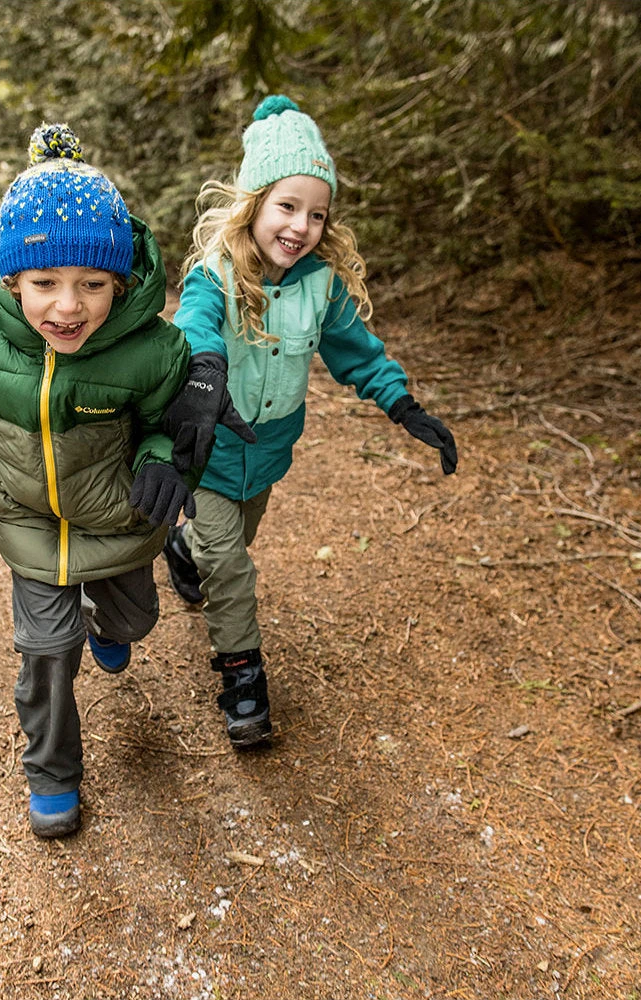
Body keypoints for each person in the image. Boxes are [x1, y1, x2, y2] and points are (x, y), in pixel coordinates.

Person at [0, 124, 195, 838]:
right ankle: (53, 774)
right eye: (44, 284)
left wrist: (161, 459)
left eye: (92, 285)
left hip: (120, 519)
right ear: (12, 280)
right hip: (29, 521)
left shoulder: (152, 351)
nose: (68, 307)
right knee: (45, 653)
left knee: (133, 623)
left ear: (119, 283)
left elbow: (165, 421)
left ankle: (109, 624)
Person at [161, 95, 458, 748]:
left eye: (316, 214)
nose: (301, 226)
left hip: (267, 455)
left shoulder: (320, 286)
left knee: (232, 542)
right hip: (210, 447)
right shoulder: (216, 275)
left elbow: (358, 353)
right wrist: (205, 372)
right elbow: (195, 325)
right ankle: (242, 677)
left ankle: (182, 548)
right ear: (254, 204)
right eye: (287, 206)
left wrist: (403, 405)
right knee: (231, 570)